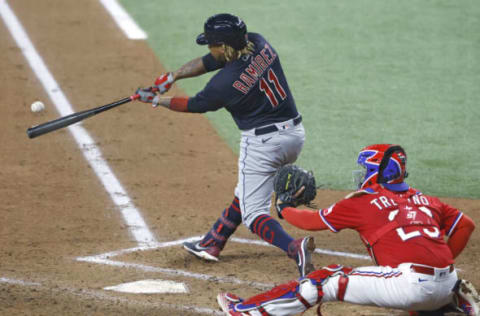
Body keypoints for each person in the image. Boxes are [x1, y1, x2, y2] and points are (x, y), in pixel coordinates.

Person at [135, 13, 315, 277]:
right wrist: (174, 76)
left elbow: (195, 105)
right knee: (247, 188)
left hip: (263, 144)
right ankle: (213, 241)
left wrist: (155, 100)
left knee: (254, 215)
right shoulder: (258, 42)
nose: (209, 48)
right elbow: (210, 62)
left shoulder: (224, 84)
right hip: (294, 135)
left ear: (223, 46)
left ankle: (293, 248)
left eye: (211, 44)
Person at [216, 144, 479, 316]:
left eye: (367, 169)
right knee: (425, 286)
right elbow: (466, 225)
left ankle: (245, 311)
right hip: (447, 283)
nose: (362, 173)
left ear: (378, 172)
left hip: (411, 287)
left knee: (324, 280)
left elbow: (312, 221)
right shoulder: (426, 199)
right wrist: (439, 270)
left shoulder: (364, 200)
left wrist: (284, 207)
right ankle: (449, 305)